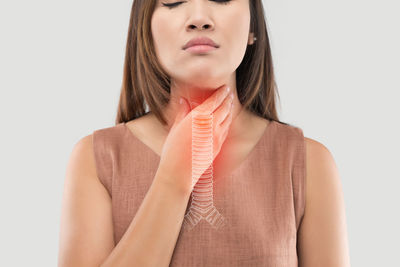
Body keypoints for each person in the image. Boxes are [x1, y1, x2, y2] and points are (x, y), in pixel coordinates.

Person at [58, 0, 351, 266]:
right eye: (174, 1)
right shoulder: (97, 159)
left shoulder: (309, 163)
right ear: (146, 31)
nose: (199, 18)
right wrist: (174, 178)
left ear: (253, 29)